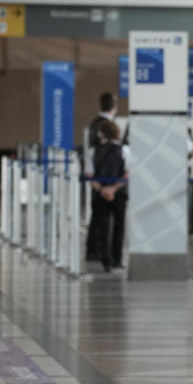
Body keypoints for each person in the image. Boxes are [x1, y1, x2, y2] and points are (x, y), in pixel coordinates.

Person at [89, 120, 128, 273]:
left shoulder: (93, 151)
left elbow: (90, 175)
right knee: (119, 227)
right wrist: (113, 189)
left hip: (99, 195)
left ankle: (106, 260)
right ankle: (117, 259)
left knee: (103, 227)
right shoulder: (124, 150)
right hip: (119, 193)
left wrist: (103, 190)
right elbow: (127, 173)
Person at [85, 92, 118, 261]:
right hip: (106, 176)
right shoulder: (106, 125)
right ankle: (97, 250)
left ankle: (93, 249)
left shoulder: (94, 123)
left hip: (96, 178)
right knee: (102, 218)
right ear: (114, 106)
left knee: (97, 216)